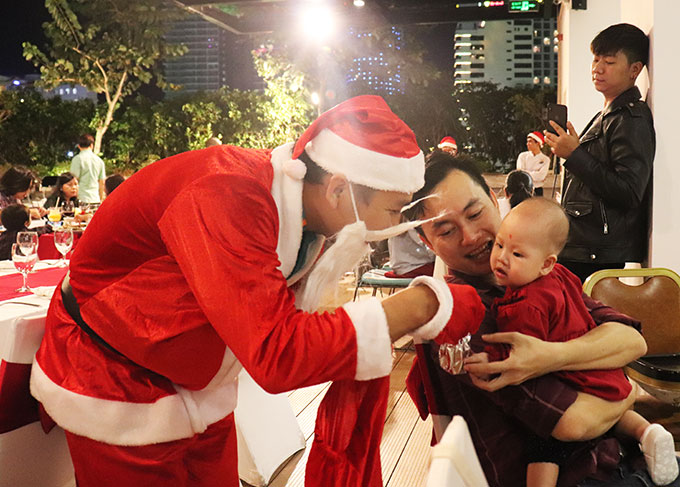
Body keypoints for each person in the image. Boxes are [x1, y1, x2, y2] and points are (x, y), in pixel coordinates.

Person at [30, 95, 483, 487]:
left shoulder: (307, 215)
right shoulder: (228, 194)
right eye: (393, 209)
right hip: (113, 374)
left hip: (192, 369)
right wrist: (425, 302)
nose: (396, 225)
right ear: (339, 189)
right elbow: (275, 352)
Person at [403, 152, 672, 487]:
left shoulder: (544, 272)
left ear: (493, 198)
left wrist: (546, 356)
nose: (470, 236)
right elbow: (575, 422)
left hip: (621, 458)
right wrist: (626, 391)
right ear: (426, 242)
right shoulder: (459, 314)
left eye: (475, 213)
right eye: (446, 230)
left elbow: (631, 341)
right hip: (578, 476)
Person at [477, 197, 677, 487]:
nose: (502, 258)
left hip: (575, 383)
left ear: (546, 264)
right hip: (605, 373)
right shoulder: (560, 276)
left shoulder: (523, 304)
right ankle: (647, 432)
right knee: (619, 408)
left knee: (542, 443)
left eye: (517, 254)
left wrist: (491, 355)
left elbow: (520, 352)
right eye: (499, 245)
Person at [545, 23, 655, 283]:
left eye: (609, 61)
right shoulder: (606, 116)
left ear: (634, 70)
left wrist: (575, 155)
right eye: (595, 59)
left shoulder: (631, 118)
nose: (597, 68)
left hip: (596, 251)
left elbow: (629, 191)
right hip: (584, 245)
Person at [70, 134, 106, 204]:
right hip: (95, 198)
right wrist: (101, 199)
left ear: (79, 146)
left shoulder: (77, 159)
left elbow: (73, 180)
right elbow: (102, 182)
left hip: (81, 198)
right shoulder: (99, 161)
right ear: (92, 145)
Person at [516, 131, 550, 197]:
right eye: (527, 141)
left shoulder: (545, 159)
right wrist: (536, 175)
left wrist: (526, 173)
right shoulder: (522, 156)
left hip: (538, 191)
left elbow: (541, 176)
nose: (527, 144)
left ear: (537, 143)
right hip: (523, 190)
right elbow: (520, 173)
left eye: (530, 141)